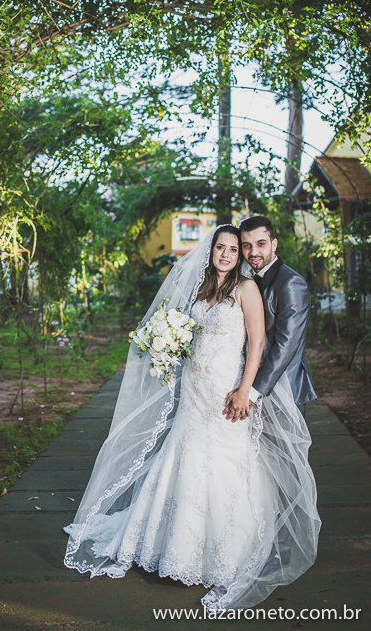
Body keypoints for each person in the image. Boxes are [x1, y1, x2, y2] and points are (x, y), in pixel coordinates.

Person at [64, 225, 320, 611]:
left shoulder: (246, 289)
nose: (228, 255)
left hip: (226, 393)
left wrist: (244, 390)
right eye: (223, 247)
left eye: (236, 249)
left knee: (221, 463)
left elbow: (261, 344)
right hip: (194, 393)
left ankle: (220, 553)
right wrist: (169, 346)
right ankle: (168, 545)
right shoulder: (201, 290)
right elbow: (191, 336)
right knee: (182, 455)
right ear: (211, 250)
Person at [224, 216, 317, 422]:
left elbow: (286, 345)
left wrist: (251, 392)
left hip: (283, 389)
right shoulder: (245, 279)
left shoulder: (291, 283)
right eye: (246, 246)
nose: (253, 252)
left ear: (274, 244)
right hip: (248, 382)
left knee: (284, 455)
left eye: (261, 244)